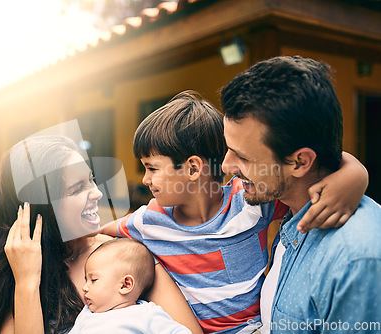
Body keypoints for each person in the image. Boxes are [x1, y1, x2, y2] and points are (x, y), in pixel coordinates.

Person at [101, 90, 368, 334]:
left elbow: (307, 176)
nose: (145, 179)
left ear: (193, 169)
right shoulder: (150, 220)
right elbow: (98, 233)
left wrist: (355, 174)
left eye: (152, 168)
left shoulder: (250, 201)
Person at [0, 135, 202, 334]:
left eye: (90, 179)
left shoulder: (123, 256)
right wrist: (27, 282)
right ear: (44, 207)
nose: (97, 193)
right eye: (77, 188)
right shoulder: (16, 268)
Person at [220, 55, 381, 333]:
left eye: (243, 157)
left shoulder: (357, 260)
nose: (226, 166)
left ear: (300, 162)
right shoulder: (287, 210)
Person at [69, 238, 191, 334]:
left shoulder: (146, 314)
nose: (84, 287)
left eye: (93, 280)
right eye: (86, 280)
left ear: (125, 285)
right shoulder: (86, 314)